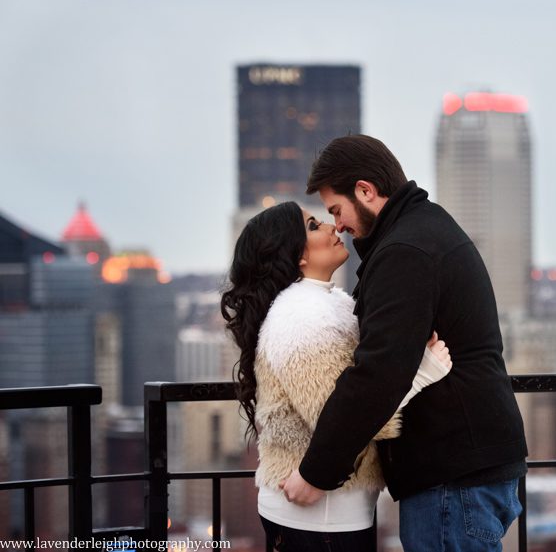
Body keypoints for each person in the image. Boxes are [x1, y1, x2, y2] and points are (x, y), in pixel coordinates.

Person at [280, 134, 528, 551]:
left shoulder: (405, 251)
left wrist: (315, 474)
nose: (338, 224)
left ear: (366, 191)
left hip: (451, 475)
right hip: (469, 467)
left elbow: (377, 374)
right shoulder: (419, 230)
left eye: (337, 210)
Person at [221, 201, 452, 552]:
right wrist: (422, 374)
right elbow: (340, 416)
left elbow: (365, 385)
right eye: (314, 225)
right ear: (296, 254)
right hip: (316, 519)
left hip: (331, 513)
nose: (332, 227)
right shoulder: (302, 318)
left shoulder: (331, 306)